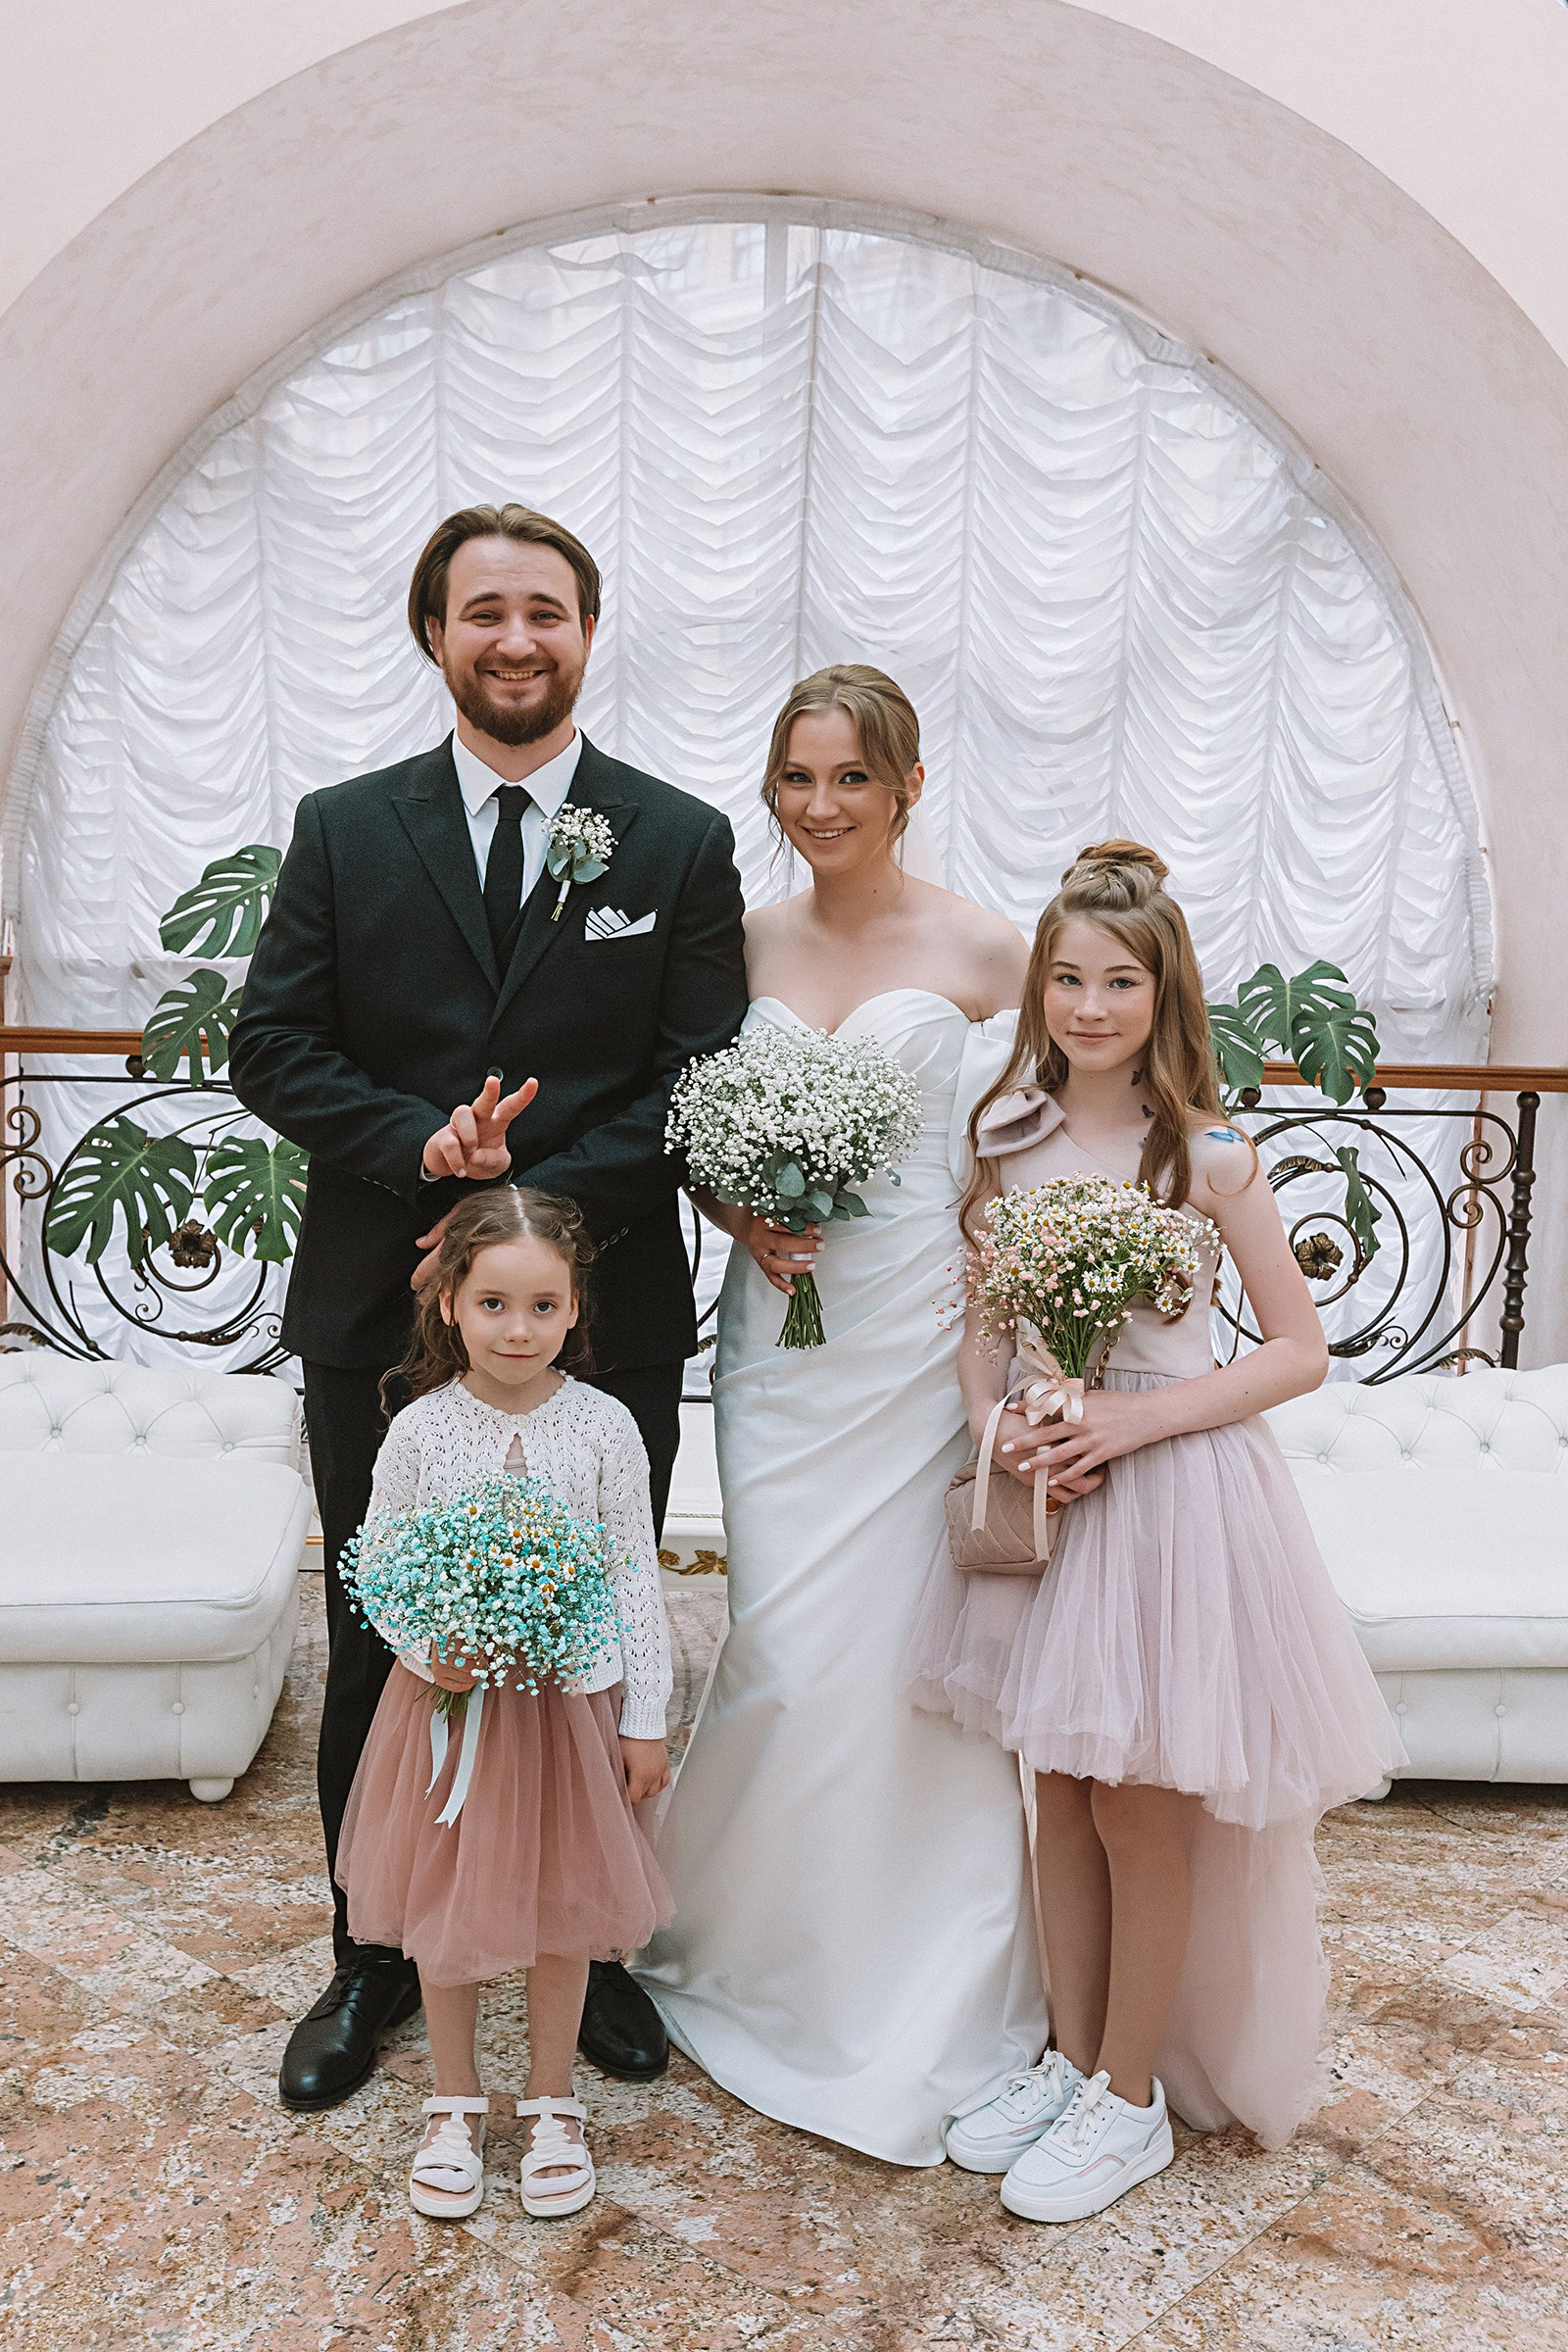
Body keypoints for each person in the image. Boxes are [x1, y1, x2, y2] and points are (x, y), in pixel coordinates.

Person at [229, 503, 748, 2112]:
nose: (515, 639)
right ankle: (372, 1949)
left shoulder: (674, 839)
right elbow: (273, 1045)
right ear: (434, 634)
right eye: (483, 612)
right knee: (383, 1638)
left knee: (596, 1625)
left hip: (607, 1317)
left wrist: (523, 1217)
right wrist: (421, 1150)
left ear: (586, 632)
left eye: (546, 611)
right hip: (376, 1319)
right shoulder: (343, 829)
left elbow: (698, 1075)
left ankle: (586, 1944)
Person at [906, 842, 1402, 2221]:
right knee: (1056, 1791)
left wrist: (1136, 1421)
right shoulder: (1006, 1137)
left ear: (1163, 991)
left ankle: (1130, 2103)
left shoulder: (1209, 1156)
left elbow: (1297, 1350)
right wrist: (1001, 1427)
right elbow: (984, 1329)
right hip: (1054, 1497)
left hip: (1173, 1500)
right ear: (1038, 990)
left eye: (1119, 980)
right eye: (1066, 978)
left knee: (1137, 1800)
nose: (1089, 1005)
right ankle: (1072, 2062)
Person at [634, 665, 1053, 2166]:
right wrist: (737, 1209)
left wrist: (1026, 1300)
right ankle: (761, 1942)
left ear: (908, 785)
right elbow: (685, 1127)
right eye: (798, 779)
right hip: (780, 1345)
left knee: (905, 1651)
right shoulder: (742, 940)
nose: (822, 806)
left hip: (921, 1344)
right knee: (788, 1640)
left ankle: (927, 1966)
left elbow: (1058, 1116)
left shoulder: (987, 945)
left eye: (852, 779)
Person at [336, 1185, 672, 2220]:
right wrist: (424, 1648)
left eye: (542, 1306)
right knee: (447, 1901)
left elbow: (633, 1574)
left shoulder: (605, 1427)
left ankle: (552, 2099)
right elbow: (379, 1562)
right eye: (493, 1304)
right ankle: (454, 2101)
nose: (517, 1329)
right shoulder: (421, 1430)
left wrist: (644, 1716)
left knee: (563, 1906)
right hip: (447, 1711)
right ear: (449, 1303)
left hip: (568, 1713)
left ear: (574, 1310)